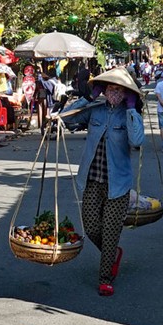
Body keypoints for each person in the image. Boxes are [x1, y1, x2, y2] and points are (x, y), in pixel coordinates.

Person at [59, 67, 145, 296]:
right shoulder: (95, 111)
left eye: (120, 89)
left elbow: (137, 140)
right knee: (91, 228)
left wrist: (131, 108)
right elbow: (65, 119)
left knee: (110, 232)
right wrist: (88, 97)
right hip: (92, 180)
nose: (114, 93)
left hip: (118, 184)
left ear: (127, 93)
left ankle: (105, 278)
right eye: (110, 88)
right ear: (104, 90)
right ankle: (112, 253)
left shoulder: (130, 115)